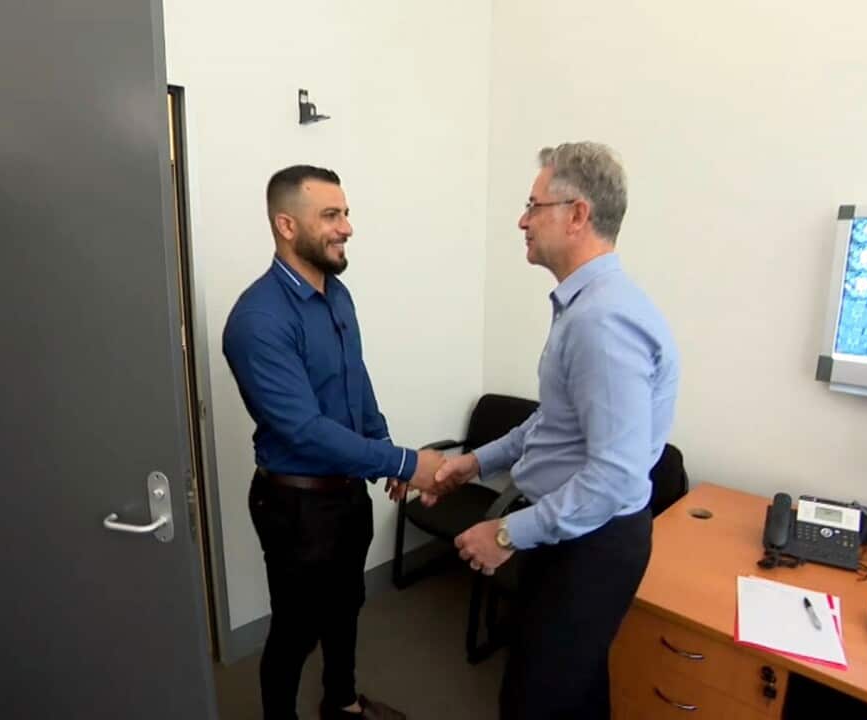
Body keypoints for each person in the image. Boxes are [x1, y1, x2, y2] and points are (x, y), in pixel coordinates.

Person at [435, 142, 680, 719]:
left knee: (533, 701)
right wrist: (476, 461)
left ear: (577, 215)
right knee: (576, 689)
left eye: (533, 204)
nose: (522, 219)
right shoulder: (586, 307)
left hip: (592, 541)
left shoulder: (602, 320)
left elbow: (614, 477)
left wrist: (503, 534)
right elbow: (554, 422)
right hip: (572, 530)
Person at [223, 165, 443, 720]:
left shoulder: (338, 296)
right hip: (296, 506)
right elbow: (303, 428)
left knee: (346, 609)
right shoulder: (258, 319)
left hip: (346, 495)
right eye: (331, 215)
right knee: (296, 632)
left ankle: (341, 704)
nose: (347, 227)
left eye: (346, 213)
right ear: (286, 225)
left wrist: (383, 444)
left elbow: (354, 381)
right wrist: (403, 461)